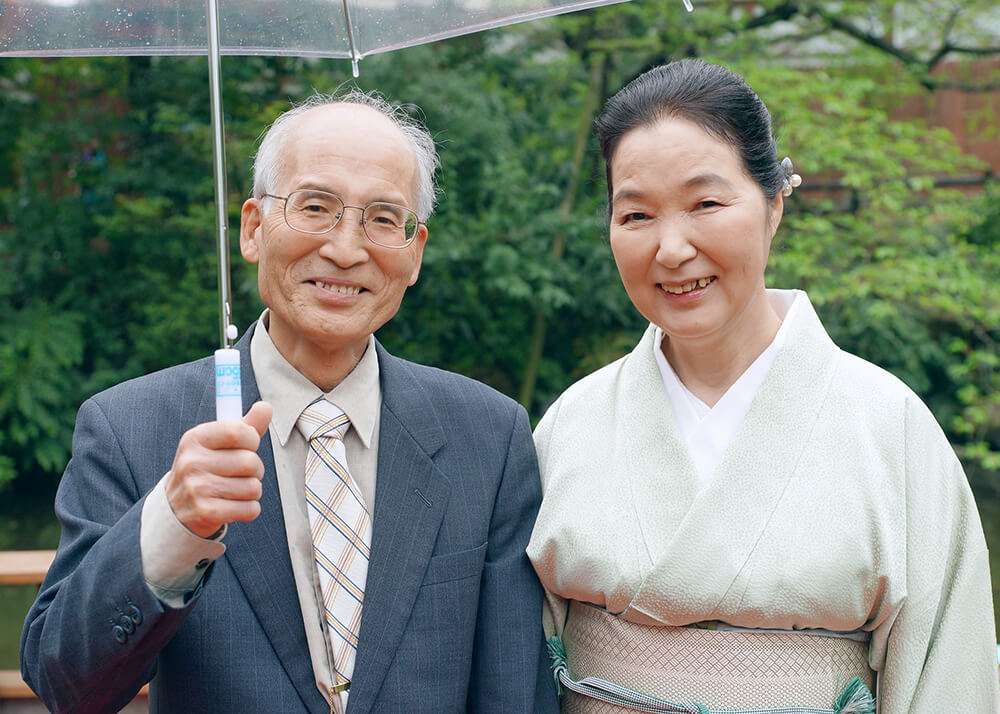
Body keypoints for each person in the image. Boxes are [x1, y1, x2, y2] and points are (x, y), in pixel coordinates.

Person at [21, 90, 558, 714]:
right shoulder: (129, 427)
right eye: (315, 207)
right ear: (253, 228)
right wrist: (173, 524)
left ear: (415, 252)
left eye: (383, 219)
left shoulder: (489, 437)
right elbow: (65, 684)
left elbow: (513, 693)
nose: (345, 248)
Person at [526, 59, 999, 713]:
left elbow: (949, 672)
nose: (670, 248)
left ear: (775, 201)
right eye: (636, 215)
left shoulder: (888, 423)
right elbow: (516, 661)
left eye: (706, 204)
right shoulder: (573, 420)